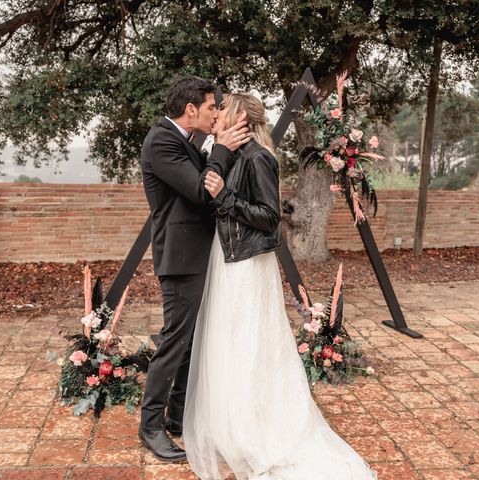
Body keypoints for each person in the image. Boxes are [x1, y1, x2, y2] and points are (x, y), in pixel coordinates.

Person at [183, 93, 377, 479]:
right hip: (228, 259)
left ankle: (258, 425)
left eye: (223, 107)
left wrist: (224, 196)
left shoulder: (259, 157)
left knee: (250, 341)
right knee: (230, 339)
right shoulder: (231, 153)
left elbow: (269, 217)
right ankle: (233, 422)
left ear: (240, 116)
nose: (217, 112)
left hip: (249, 265)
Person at [139, 76, 250, 462]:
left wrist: (218, 147)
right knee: (174, 340)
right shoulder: (161, 141)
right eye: (211, 107)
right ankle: (150, 425)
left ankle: (175, 414)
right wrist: (220, 147)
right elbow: (203, 189)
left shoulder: (183, 141)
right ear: (191, 110)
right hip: (181, 256)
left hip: (196, 254)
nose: (216, 113)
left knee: (188, 339)